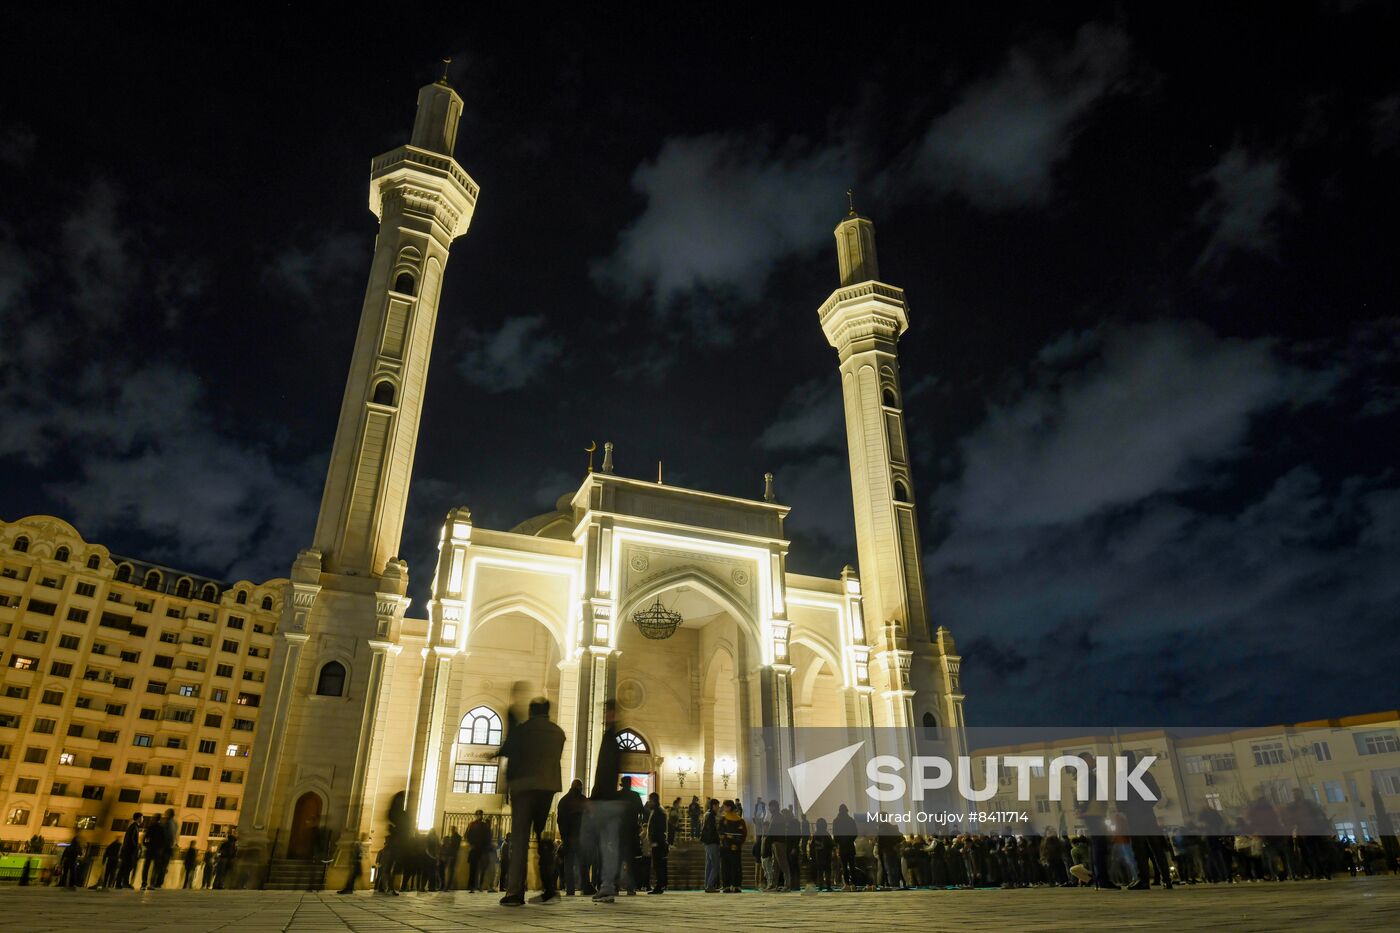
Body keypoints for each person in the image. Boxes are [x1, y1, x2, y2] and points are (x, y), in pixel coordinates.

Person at [497, 696, 565, 907]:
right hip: (547, 788)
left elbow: (512, 755)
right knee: (541, 836)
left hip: (524, 788)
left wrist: (507, 786)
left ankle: (515, 892)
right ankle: (549, 887)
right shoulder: (558, 733)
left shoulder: (524, 730)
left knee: (520, 840)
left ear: (531, 711)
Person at [1075, 753, 1118, 890]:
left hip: (1093, 813)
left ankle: (1100, 880)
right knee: (1099, 847)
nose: (1093, 760)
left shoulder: (1085, 776)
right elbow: (1084, 795)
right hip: (1093, 813)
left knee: (1097, 847)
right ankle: (1102, 880)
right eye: (1090, 758)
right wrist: (1082, 808)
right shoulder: (1086, 776)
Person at [557, 778, 586, 895]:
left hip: (568, 837)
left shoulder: (563, 800)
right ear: (580, 787)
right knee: (583, 862)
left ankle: (570, 889)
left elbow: (560, 820)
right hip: (580, 836)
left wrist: (564, 836)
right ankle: (585, 886)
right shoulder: (583, 800)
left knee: (568, 863)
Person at [719, 800, 748, 892]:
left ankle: (733, 885)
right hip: (729, 847)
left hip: (731, 847)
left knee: (732, 866)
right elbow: (720, 833)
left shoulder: (738, 820)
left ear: (729, 807)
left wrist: (730, 838)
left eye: (724, 806)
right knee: (731, 866)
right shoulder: (725, 820)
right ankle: (731, 885)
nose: (723, 808)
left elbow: (743, 834)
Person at [646, 792, 669, 893]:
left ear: (654, 801)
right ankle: (660, 885)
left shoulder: (658, 812)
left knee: (658, 865)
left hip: (658, 842)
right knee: (657, 865)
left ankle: (659, 886)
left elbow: (659, 828)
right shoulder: (656, 811)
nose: (648, 802)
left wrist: (655, 841)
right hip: (657, 842)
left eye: (650, 800)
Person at [466, 810, 492, 891]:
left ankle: (477, 886)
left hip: (480, 849)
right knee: (474, 869)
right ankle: (473, 886)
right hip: (477, 849)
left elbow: (488, 837)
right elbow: (467, 835)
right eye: (478, 815)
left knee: (480, 868)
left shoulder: (481, 825)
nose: (478, 816)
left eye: (479, 815)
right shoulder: (473, 824)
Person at [833, 804, 857, 891]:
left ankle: (846, 884)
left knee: (844, 867)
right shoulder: (851, 820)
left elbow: (835, 835)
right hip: (850, 846)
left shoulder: (836, 821)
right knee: (852, 866)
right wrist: (850, 840)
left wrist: (838, 843)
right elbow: (855, 833)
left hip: (842, 847)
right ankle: (853, 884)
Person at [701, 798, 722, 892]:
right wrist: (718, 840)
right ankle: (710, 885)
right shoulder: (711, 816)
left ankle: (707, 885)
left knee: (709, 865)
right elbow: (712, 831)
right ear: (713, 805)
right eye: (717, 806)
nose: (718, 808)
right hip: (712, 842)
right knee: (716, 865)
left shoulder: (707, 814)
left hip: (707, 843)